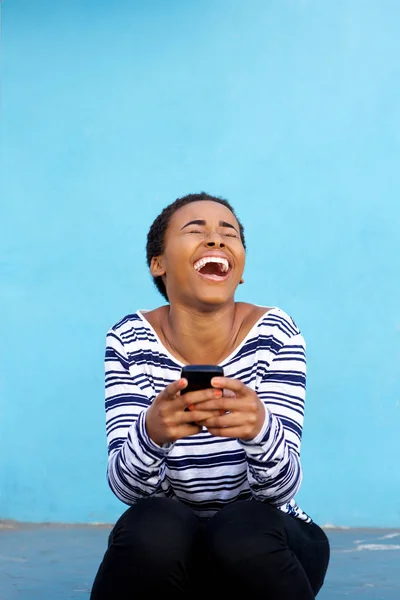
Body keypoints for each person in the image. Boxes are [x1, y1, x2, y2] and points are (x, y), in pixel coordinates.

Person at [90, 192, 330, 599]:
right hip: (176, 554)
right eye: (195, 230)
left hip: (267, 543)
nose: (217, 240)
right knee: (154, 524)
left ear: (239, 271)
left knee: (244, 527)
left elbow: (280, 491)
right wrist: (151, 433)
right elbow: (128, 491)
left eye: (228, 233)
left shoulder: (276, 334)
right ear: (158, 264)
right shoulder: (129, 339)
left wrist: (260, 429)